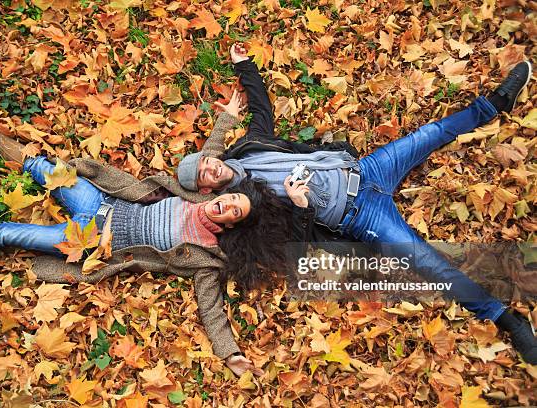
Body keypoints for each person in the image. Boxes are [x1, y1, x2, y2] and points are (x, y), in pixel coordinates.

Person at [176, 44, 537, 364]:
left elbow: (261, 112)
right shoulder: (246, 213)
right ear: (207, 190)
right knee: (432, 266)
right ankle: (505, 318)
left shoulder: (248, 149)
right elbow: (295, 249)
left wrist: (245, 66)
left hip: (364, 169)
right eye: (206, 175)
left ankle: (495, 103)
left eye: (207, 161)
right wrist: (300, 204)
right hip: (361, 215)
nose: (212, 168)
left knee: (430, 133)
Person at [0, 92, 293, 376]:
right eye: (231, 199)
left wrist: (231, 354)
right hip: (103, 201)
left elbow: (211, 309)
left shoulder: (207, 256)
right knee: (43, 166)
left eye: (233, 212)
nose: (226, 205)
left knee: (11, 235)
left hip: (90, 240)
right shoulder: (202, 192)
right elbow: (212, 153)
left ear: (231, 225)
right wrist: (227, 116)